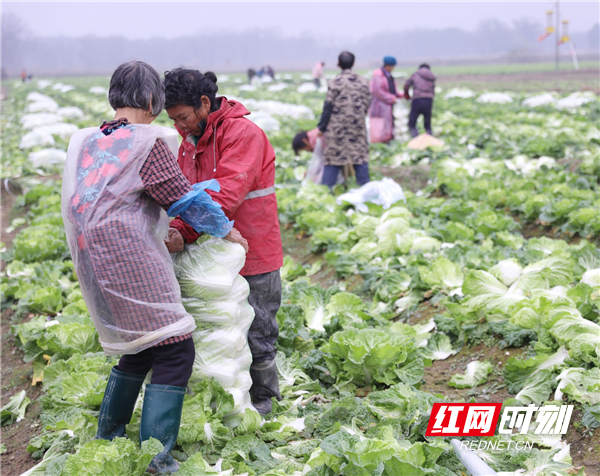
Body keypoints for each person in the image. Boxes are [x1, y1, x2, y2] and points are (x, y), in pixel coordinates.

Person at [62, 61, 247, 474]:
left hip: (93, 259)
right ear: (151, 100)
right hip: (129, 256)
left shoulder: (91, 140)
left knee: (140, 345)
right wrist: (223, 227)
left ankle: (107, 436)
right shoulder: (145, 142)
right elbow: (180, 198)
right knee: (176, 346)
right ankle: (156, 457)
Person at [163, 68, 284, 416]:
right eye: (173, 119)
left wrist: (182, 230)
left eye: (183, 117)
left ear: (204, 103)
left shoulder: (243, 133)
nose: (180, 126)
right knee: (217, 336)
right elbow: (180, 194)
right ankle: (227, 408)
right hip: (208, 256)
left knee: (258, 332)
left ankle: (264, 408)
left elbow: (225, 196)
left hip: (252, 250)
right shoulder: (188, 138)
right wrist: (176, 230)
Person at [317, 51, 371, 189]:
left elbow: (327, 107)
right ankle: (366, 191)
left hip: (337, 129)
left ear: (338, 64)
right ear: (353, 64)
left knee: (333, 158)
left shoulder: (335, 82)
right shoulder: (362, 82)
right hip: (357, 127)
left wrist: (321, 128)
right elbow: (367, 103)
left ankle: (326, 192)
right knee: (359, 157)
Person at [368, 56, 403, 143]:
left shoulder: (388, 75)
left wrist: (401, 95)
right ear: (388, 66)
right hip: (379, 106)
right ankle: (380, 144)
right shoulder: (378, 76)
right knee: (380, 126)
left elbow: (392, 90)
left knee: (388, 125)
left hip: (387, 105)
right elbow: (378, 92)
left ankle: (387, 141)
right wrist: (391, 98)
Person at [404, 63, 436, 137]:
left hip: (417, 100)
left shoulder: (415, 75)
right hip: (428, 100)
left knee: (412, 123)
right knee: (427, 124)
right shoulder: (432, 76)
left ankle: (415, 140)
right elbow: (433, 88)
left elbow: (406, 85)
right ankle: (429, 140)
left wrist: (407, 95)